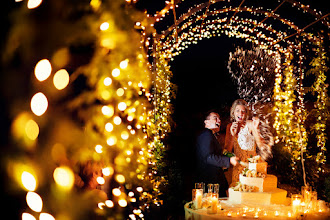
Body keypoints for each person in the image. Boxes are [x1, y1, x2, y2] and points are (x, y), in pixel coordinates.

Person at [224, 99, 271, 185]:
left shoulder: (250, 124)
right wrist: (232, 134)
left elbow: (261, 145)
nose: (240, 114)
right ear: (233, 112)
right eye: (237, 110)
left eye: (243, 111)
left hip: (250, 166)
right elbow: (227, 151)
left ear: (246, 114)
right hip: (237, 166)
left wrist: (256, 128)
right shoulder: (229, 126)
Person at [196, 110, 239, 197]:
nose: (219, 121)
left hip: (215, 181)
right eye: (215, 118)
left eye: (219, 119)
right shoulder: (206, 134)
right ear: (206, 122)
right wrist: (229, 160)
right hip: (210, 182)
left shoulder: (211, 135)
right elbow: (208, 157)